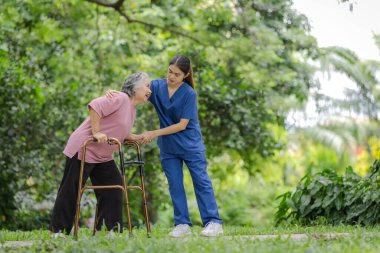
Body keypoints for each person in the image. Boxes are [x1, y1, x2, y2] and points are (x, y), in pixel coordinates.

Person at [107, 55, 223, 237]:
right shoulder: (156, 87)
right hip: (169, 148)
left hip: (190, 145)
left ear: (185, 75)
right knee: (175, 184)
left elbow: (182, 125)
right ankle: (182, 224)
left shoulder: (189, 94)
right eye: (170, 71)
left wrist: (153, 133)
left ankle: (213, 222)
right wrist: (115, 93)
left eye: (177, 74)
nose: (171, 76)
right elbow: (136, 89)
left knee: (201, 182)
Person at [50, 72, 151, 237]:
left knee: (114, 187)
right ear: (134, 87)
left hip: (102, 155)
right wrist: (96, 132)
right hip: (84, 148)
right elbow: (95, 105)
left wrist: (138, 137)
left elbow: (122, 134)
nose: (150, 90)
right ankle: (58, 231)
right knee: (71, 189)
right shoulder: (120, 98)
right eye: (147, 86)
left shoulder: (132, 110)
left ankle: (107, 230)